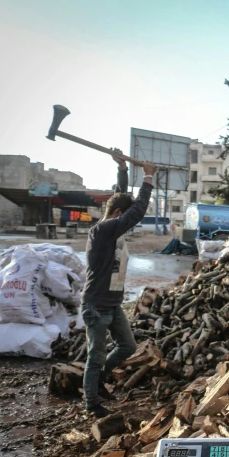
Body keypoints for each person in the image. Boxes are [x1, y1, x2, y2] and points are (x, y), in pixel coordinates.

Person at [81, 155, 156, 417]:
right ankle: (91, 403)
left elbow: (120, 197)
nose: (127, 225)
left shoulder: (111, 226)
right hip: (96, 305)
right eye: (123, 219)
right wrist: (148, 177)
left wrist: (122, 169)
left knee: (127, 347)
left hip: (112, 304)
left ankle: (98, 380)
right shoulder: (102, 232)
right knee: (96, 356)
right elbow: (135, 211)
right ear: (116, 216)